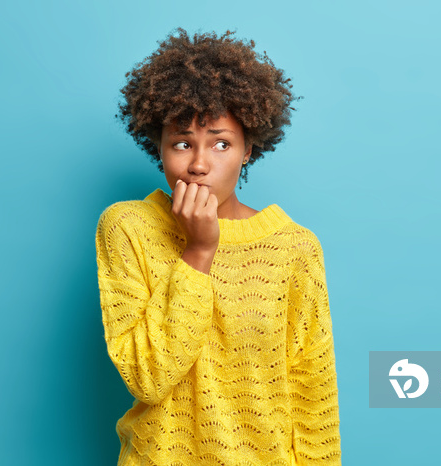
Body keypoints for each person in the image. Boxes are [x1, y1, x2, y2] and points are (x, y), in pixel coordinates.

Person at [95, 27, 341, 465]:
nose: (199, 164)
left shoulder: (295, 248)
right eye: (182, 143)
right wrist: (198, 252)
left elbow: (313, 396)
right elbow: (147, 378)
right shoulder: (127, 228)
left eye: (221, 143)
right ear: (159, 148)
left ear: (249, 148)